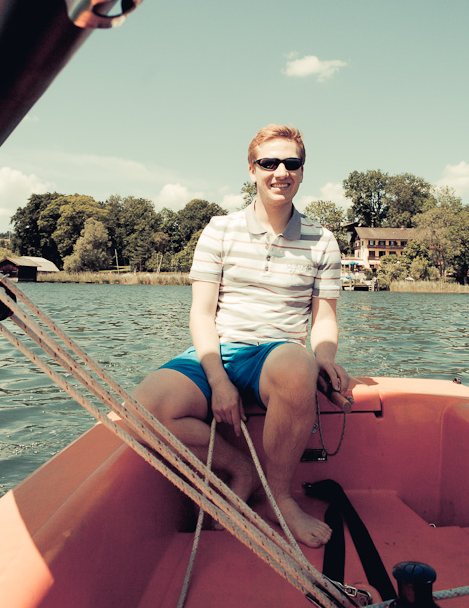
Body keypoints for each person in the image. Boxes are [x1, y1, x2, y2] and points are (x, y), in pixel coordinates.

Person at [133, 124, 350, 548]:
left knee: (299, 364)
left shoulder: (322, 241)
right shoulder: (219, 230)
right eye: (269, 163)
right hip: (219, 349)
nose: (280, 172)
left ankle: (279, 498)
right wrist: (217, 380)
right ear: (252, 170)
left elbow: (324, 318)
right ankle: (242, 469)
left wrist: (324, 357)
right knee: (143, 409)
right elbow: (201, 314)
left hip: (276, 354)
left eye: (291, 163)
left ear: (302, 172)